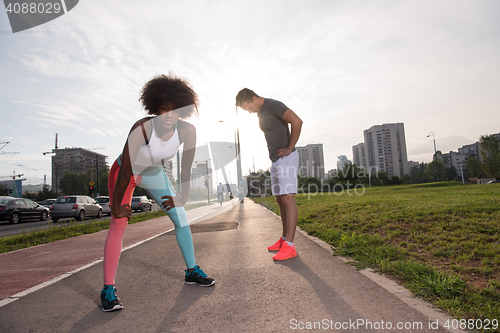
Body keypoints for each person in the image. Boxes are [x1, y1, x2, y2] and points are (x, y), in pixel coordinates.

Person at [101, 74, 215, 312]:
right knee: (119, 223)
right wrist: (115, 206)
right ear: (155, 107)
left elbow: (186, 168)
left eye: (175, 110)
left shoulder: (187, 131)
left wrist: (182, 197)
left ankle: (192, 270)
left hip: (154, 174)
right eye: (164, 108)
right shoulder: (142, 128)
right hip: (125, 172)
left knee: (182, 218)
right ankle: (108, 289)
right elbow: (125, 173)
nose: (169, 115)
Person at [235, 88, 303, 261]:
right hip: (276, 160)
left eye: (248, 107)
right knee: (280, 200)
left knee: (288, 198)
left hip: (286, 158)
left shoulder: (273, 105)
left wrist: (290, 147)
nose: (249, 112)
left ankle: (290, 246)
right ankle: (284, 239)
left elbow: (297, 121)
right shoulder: (260, 113)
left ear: (254, 97)